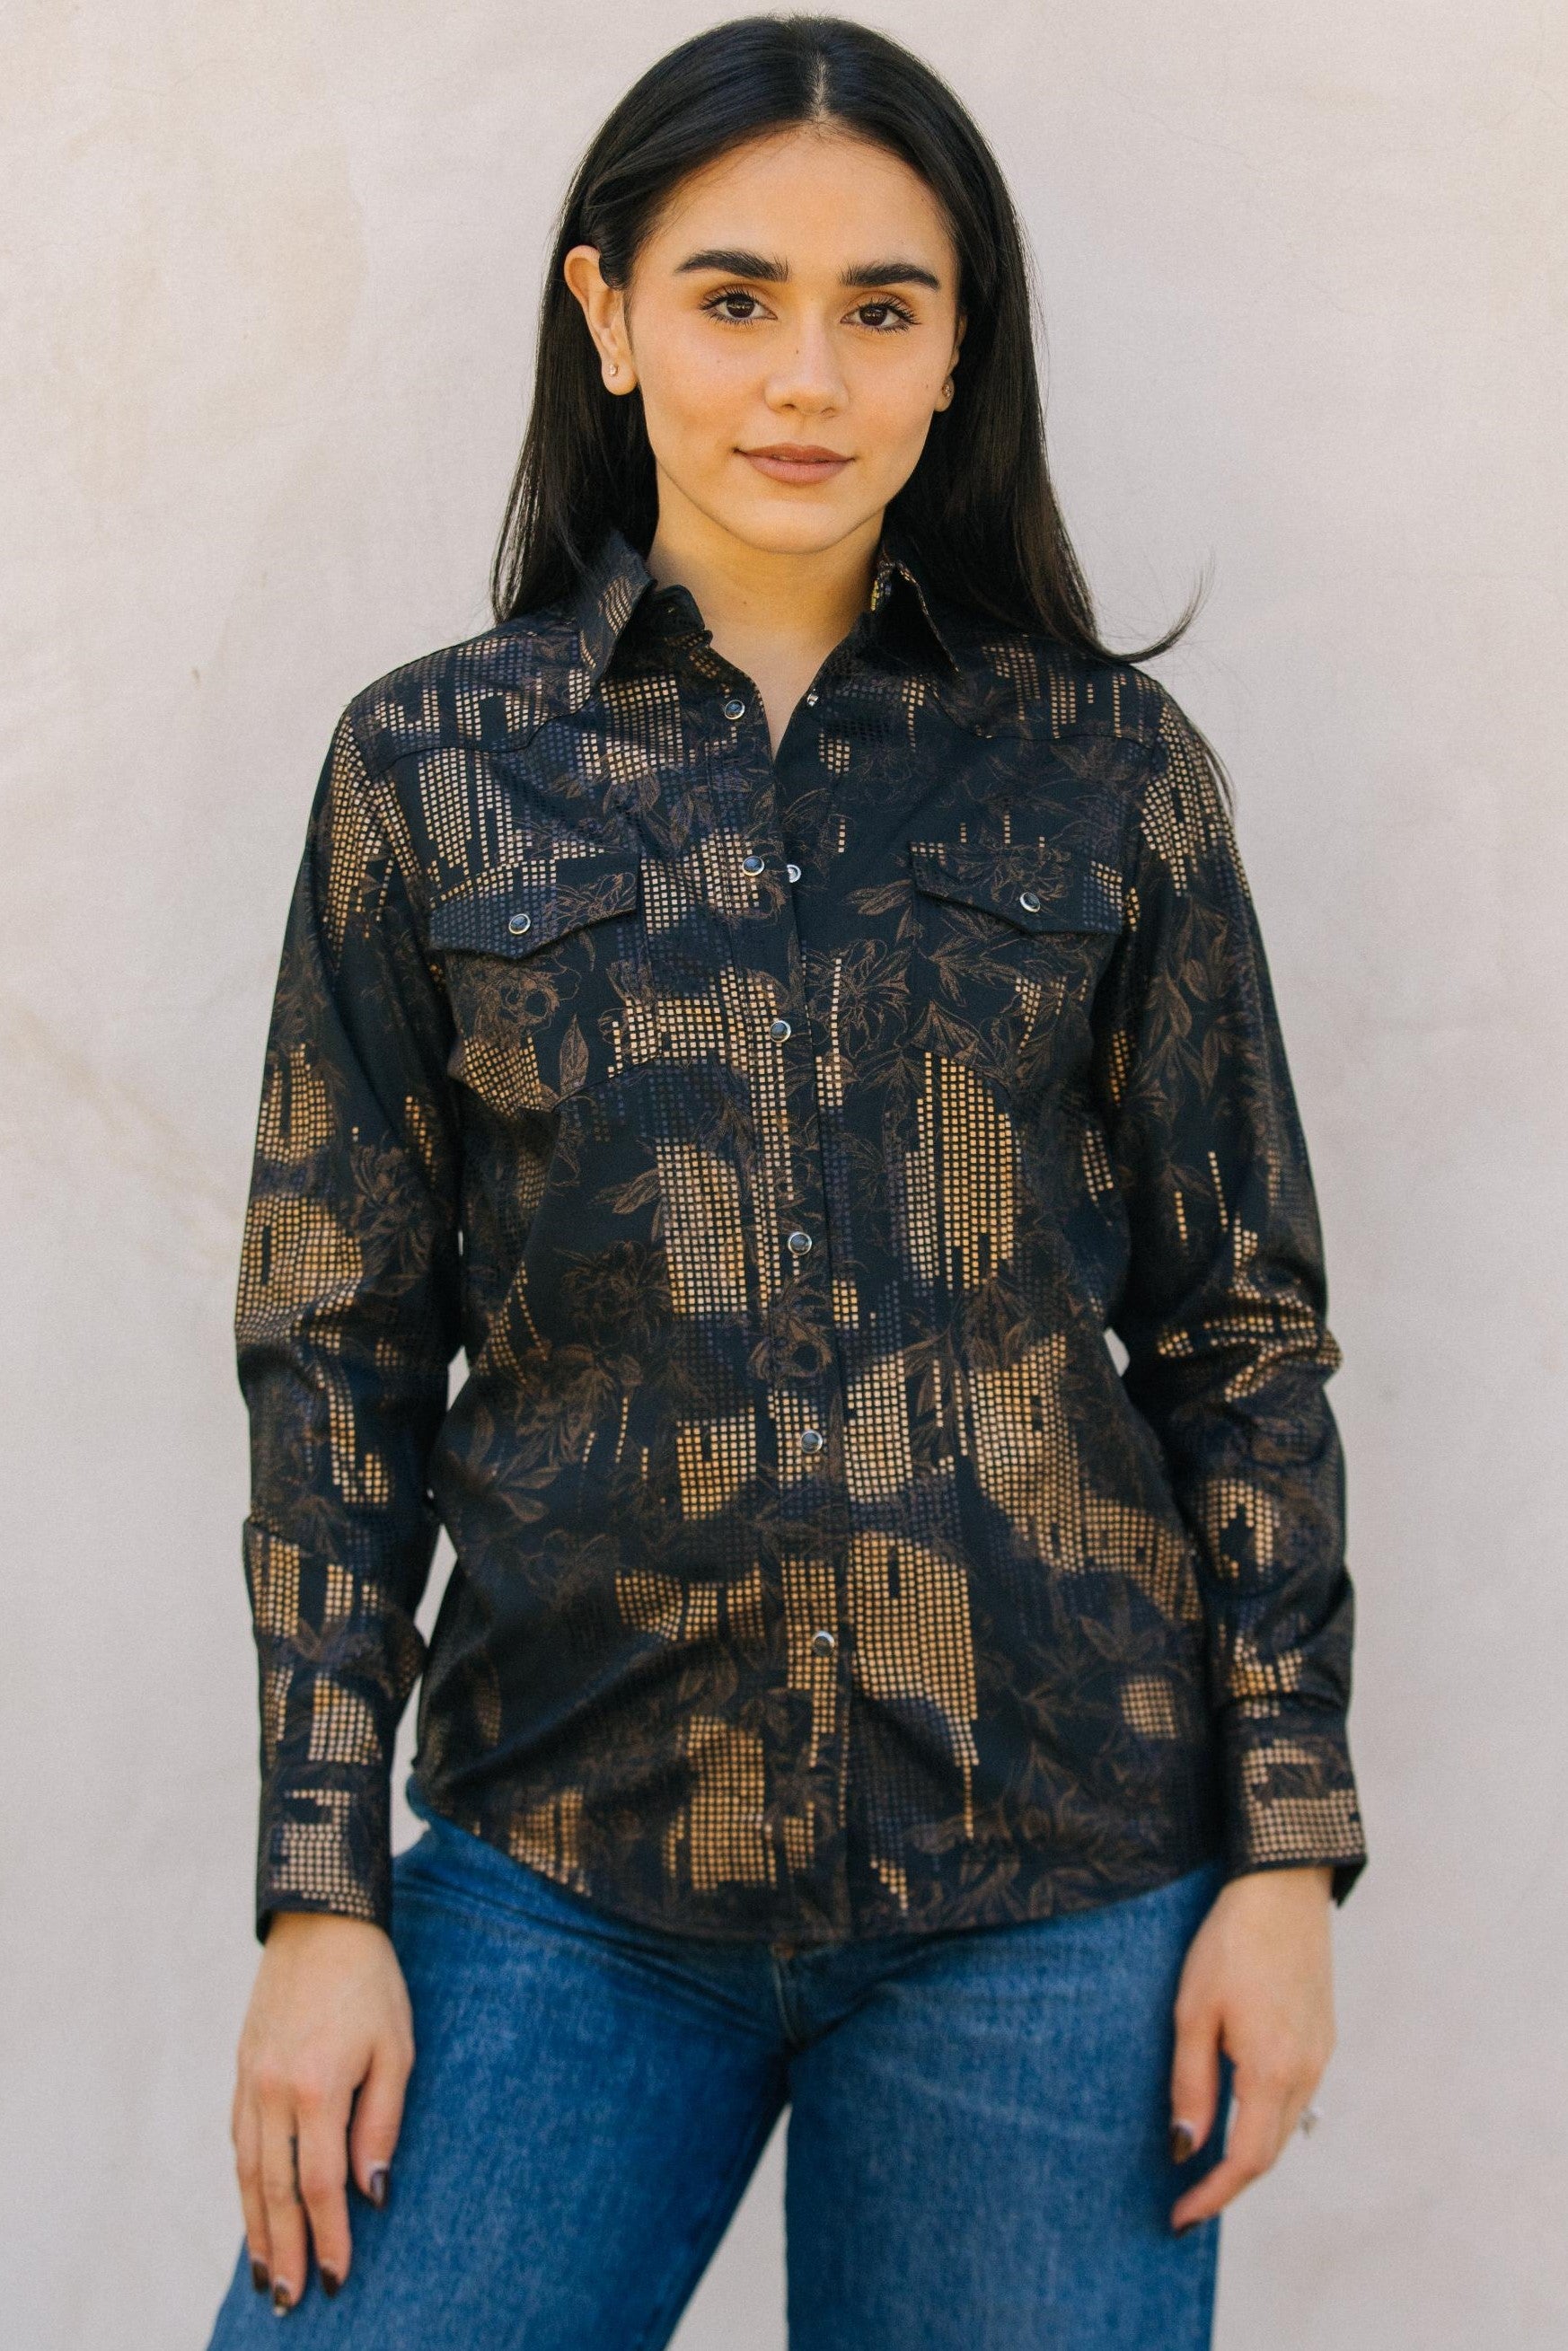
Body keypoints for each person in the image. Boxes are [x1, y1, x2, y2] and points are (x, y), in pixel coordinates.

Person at [205, 14, 1367, 2347]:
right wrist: (322, 1892)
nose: (804, 376)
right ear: (609, 314)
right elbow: (335, 1347)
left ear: (959, 349)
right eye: (734, 297)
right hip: (564, 1868)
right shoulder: (428, 771)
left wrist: (1285, 1856)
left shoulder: (1109, 773)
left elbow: (1239, 1334)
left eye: (880, 306)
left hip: (1054, 1890)